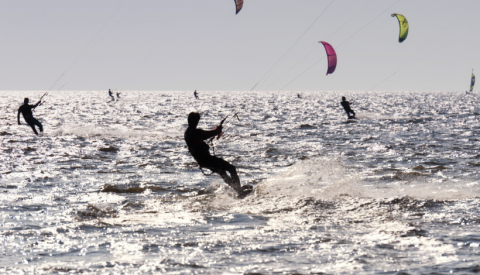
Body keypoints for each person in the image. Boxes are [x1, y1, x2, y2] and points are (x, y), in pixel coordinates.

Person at [184, 112, 252, 198]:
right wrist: (218, 129)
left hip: (202, 162)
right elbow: (213, 132)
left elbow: (204, 136)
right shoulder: (196, 132)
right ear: (197, 121)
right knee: (231, 168)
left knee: (222, 172)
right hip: (207, 160)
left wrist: (215, 132)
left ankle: (237, 189)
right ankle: (239, 192)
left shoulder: (187, 132)